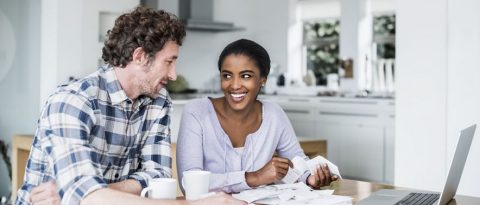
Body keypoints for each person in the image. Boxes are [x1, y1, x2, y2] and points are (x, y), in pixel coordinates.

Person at [15, 7, 244, 205]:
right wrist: (85, 194)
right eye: (169, 62)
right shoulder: (73, 101)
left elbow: (157, 176)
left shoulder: (158, 101)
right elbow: (84, 196)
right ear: (140, 56)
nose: (173, 75)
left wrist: (91, 192)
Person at [176, 39, 339, 194]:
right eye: (227, 75)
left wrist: (310, 178)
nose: (234, 85)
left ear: (263, 80)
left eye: (246, 76)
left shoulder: (273, 114)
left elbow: (297, 160)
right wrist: (254, 177)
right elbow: (189, 184)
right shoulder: (196, 112)